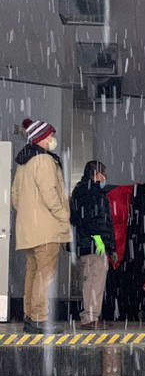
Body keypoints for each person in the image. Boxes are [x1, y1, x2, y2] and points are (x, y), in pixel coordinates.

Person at [12, 118, 71, 334]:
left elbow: (15, 197)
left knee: (33, 273)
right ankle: (39, 318)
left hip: (29, 230)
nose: (53, 139)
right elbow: (50, 195)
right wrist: (64, 216)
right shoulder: (44, 160)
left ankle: (29, 317)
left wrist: (30, 215)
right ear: (41, 138)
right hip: (46, 229)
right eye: (50, 136)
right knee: (45, 275)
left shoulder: (23, 163)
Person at [70, 161, 116, 330]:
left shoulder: (81, 191)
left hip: (86, 244)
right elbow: (93, 221)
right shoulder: (92, 192)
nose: (104, 178)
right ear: (96, 174)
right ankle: (90, 317)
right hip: (93, 244)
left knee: (91, 279)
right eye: (103, 174)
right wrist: (100, 241)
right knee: (95, 280)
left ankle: (90, 316)